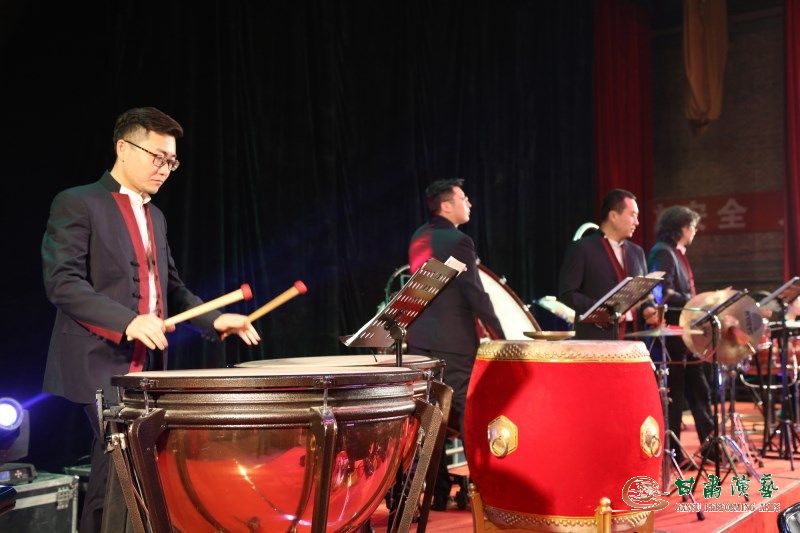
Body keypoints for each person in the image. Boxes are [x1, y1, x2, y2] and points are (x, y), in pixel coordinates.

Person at [41, 107, 261, 532]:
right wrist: (128, 320)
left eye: (172, 161)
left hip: (146, 365)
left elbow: (171, 287)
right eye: (157, 157)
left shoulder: (155, 215)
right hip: (97, 361)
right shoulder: (78, 202)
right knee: (122, 463)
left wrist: (214, 320)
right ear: (123, 148)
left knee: (123, 472)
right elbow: (62, 283)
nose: (165, 169)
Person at [406, 178, 505, 511]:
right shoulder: (459, 240)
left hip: (419, 340)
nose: (469, 203)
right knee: (465, 412)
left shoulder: (418, 236)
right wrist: (499, 333)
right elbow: (474, 292)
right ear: (447, 205)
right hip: (453, 341)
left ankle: (438, 490)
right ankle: (482, 488)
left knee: (432, 415)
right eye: (464, 198)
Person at [647, 205, 713, 466]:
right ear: (683, 228)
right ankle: (672, 454)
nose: (694, 232)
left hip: (685, 333)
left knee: (699, 390)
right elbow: (662, 291)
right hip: (673, 334)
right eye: (693, 227)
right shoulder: (662, 252)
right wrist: (697, 301)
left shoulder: (675, 252)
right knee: (675, 394)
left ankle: (711, 450)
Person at [558, 189, 649, 339]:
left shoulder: (637, 252)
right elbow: (567, 294)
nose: (637, 222)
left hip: (634, 338)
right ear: (613, 216)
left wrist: (648, 309)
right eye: (632, 215)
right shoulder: (582, 248)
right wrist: (602, 310)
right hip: (596, 339)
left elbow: (644, 295)